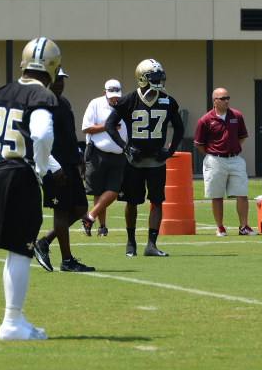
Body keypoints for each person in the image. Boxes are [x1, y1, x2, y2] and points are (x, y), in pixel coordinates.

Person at [0, 37, 61, 341]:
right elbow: (43, 133)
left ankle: (14, 319)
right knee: (21, 251)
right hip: (19, 176)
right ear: (54, 67)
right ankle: (11, 323)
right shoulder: (41, 95)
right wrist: (43, 167)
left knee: (15, 251)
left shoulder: (0, 92)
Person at [102, 59, 185, 257]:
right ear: (142, 78)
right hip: (134, 161)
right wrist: (125, 147)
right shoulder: (129, 100)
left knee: (157, 201)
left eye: (159, 75)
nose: (158, 79)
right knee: (132, 201)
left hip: (157, 161)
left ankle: (151, 245)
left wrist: (170, 151)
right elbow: (109, 125)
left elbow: (180, 128)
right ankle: (131, 242)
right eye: (153, 76)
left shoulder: (168, 101)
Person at [32, 67, 95, 273]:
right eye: (55, 79)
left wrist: (79, 156)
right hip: (54, 167)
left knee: (80, 208)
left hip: (69, 164)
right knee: (62, 211)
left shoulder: (64, 103)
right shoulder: (41, 104)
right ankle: (67, 260)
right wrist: (53, 166)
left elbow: (68, 134)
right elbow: (37, 139)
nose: (59, 83)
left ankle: (44, 242)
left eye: (62, 80)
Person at [194, 87, 257, 236]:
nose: (226, 101)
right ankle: (220, 227)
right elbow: (199, 143)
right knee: (217, 195)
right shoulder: (205, 120)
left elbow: (242, 137)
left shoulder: (236, 115)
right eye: (223, 98)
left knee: (242, 194)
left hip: (235, 159)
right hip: (215, 161)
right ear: (214, 100)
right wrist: (214, 153)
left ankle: (243, 227)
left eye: (228, 98)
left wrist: (231, 149)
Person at [80, 79, 127, 238]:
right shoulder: (95, 104)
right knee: (99, 191)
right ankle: (102, 227)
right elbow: (86, 128)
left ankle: (89, 217)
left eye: (117, 96)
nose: (114, 99)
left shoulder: (124, 105)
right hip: (98, 152)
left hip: (119, 153)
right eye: (111, 95)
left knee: (113, 191)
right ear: (105, 92)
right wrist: (108, 126)